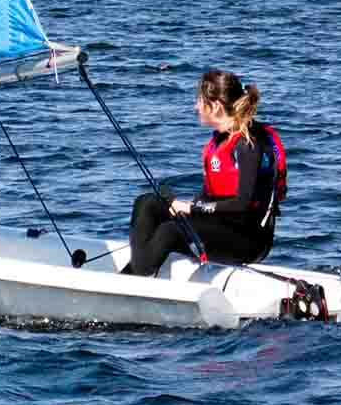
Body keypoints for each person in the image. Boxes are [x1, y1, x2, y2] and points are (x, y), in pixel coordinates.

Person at [122, 69, 286, 277]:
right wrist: (187, 208)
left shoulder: (248, 145)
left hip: (249, 239)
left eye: (200, 101)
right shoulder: (220, 139)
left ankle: (132, 278)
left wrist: (193, 208)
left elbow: (242, 204)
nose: (195, 107)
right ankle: (138, 270)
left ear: (215, 106)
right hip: (219, 223)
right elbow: (211, 194)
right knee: (147, 203)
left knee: (169, 231)